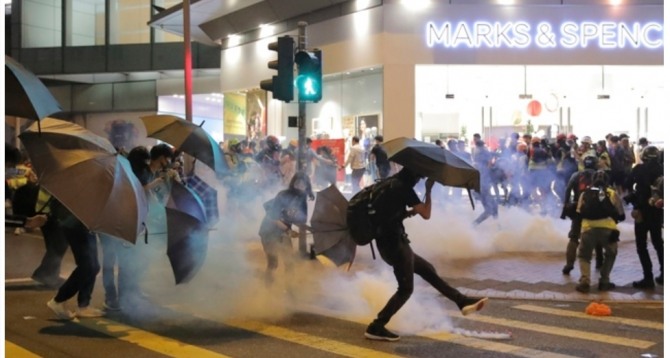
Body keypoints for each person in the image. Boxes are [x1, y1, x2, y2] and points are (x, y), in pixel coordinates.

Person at [364, 167, 487, 342]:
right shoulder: (403, 188)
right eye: (419, 177)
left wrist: (406, 213)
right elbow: (426, 214)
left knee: (427, 270)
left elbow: (386, 215)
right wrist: (429, 191)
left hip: (387, 242)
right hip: (395, 245)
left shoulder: (387, 184)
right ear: (413, 177)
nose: (419, 181)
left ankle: (462, 301)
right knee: (405, 289)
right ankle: (376, 326)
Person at [47, 199, 104, 320]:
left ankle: (83, 305)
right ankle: (58, 300)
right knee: (87, 266)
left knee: (93, 267)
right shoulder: (86, 185)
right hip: (76, 225)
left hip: (86, 226)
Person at [574, 170, 625, 293]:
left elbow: (578, 212)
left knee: (584, 256)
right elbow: (621, 214)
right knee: (611, 254)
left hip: (588, 229)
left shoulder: (585, 193)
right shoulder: (612, 193)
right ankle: (604, 281)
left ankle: (585, 281)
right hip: (609, 230)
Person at [258, 172, 313, 285]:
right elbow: (273, 217)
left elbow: (301, 221)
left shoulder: (302, 199)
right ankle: (267, 291)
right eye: (298, 183)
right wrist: (289, 231)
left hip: (283, 233)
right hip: (269, 231)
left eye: (304, 185)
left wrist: (315, 230)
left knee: (290, 262)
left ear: (307, 186)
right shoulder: (283, 195)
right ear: (293, 183)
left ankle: (289, 289)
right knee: (273, 263)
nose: (301, 187)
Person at [624, 145, 664, 289]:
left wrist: (636, 193)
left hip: (641, 211)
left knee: (642, 246)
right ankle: (664, 274)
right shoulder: (663, 169)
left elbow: (627, 184)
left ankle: (648, 278)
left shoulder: (639, 169)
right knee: (658, 243)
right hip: (657, 211)